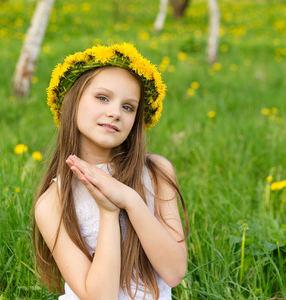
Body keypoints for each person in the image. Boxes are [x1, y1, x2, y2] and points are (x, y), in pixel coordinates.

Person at [33, 43, 189, 300]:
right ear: (72, 101)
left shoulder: (157, 172)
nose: (115, 112)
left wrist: (130, 199)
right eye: (102, 98)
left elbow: (174, 272)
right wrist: (108, 212)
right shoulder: (53, 201)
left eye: (128, 107)